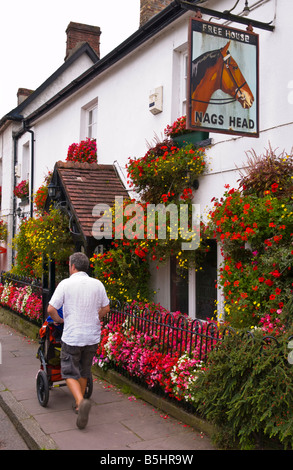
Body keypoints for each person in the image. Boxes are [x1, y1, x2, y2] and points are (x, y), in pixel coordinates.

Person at [47, 252, 110, 429]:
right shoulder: (97, 284)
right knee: (84, 370)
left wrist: (59, 320)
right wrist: (93, 317)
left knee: (68, 371)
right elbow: (106, 308)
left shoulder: (66, 284)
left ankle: (81, 401)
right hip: (92, 336)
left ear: (72, 266)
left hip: (73, 336)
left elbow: (51, 309)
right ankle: (77, 404)